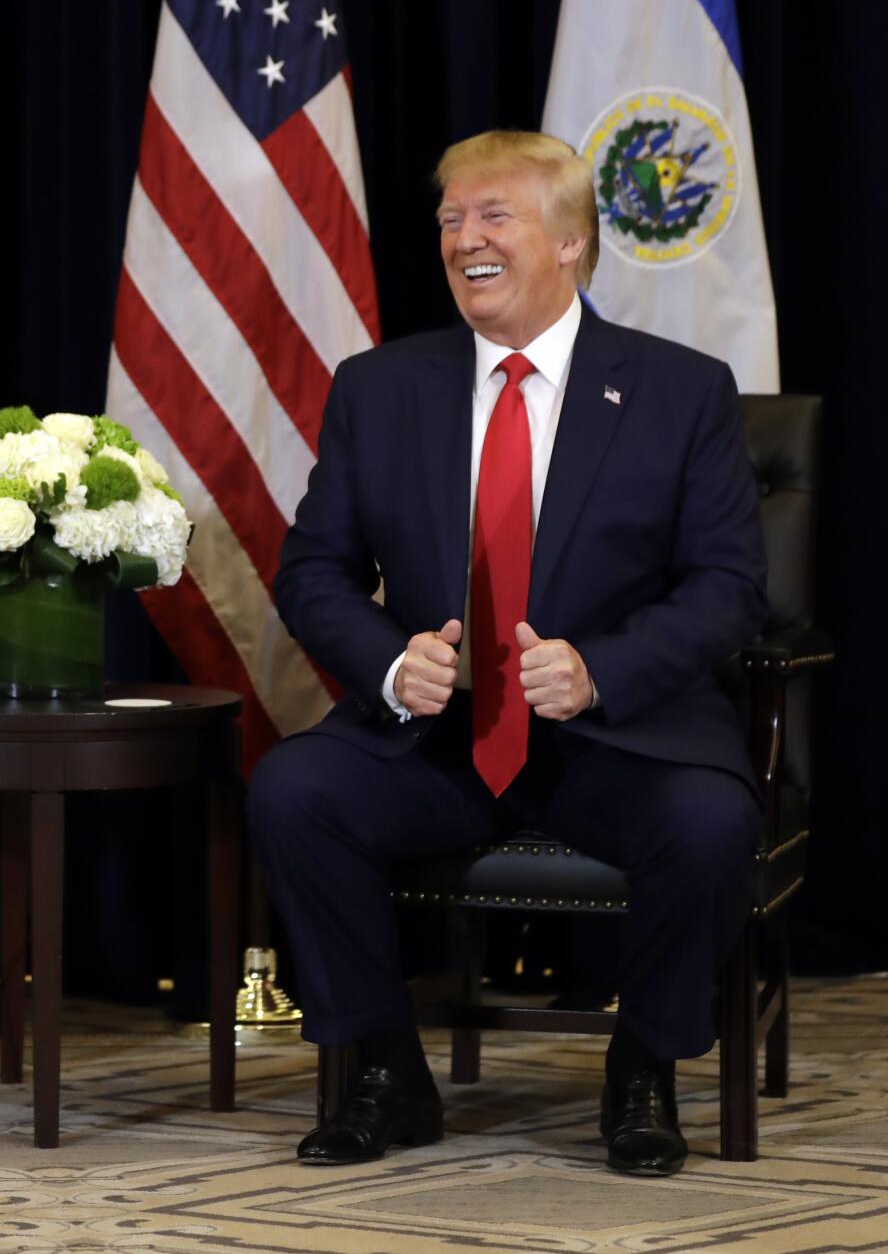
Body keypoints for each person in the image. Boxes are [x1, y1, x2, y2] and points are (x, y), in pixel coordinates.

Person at [249, 130, 767, 1177]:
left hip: (615, 734)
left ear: (570, 240)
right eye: (448, 219)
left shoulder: (680, 389)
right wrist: (392, 664)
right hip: (435, 739)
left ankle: (641, 1069)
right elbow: (312, 570)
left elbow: (726, 588)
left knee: (710, 819)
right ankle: (387, 1067)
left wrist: (600, 668)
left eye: (494, 217)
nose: (464, 239)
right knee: (292, 792)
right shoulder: (378, 387)